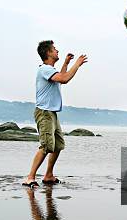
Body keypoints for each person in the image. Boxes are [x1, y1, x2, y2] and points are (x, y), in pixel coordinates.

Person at [22, 41, 88, 188]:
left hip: (52, 113)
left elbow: (61, 78)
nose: (57, 50)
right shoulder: (44, 69)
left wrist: (65, 62)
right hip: (44, 112)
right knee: (46, 146)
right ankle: (30, 177)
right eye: (54, 49)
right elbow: (64, 78)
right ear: (48, 53)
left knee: (58, 145)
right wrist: (76, 64)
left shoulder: (50, 71)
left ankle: (48, 175)